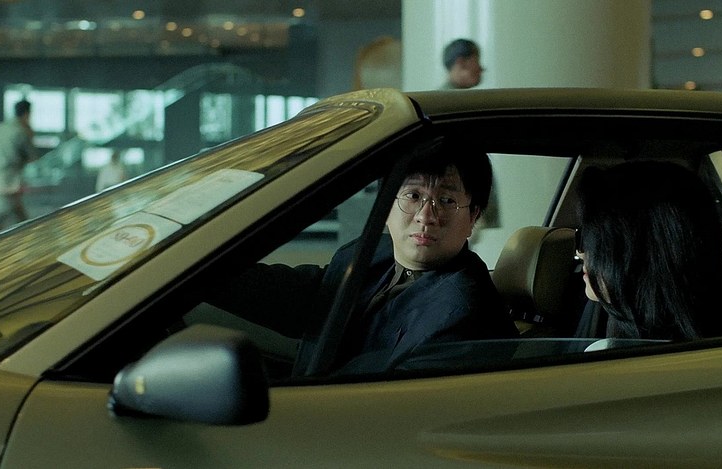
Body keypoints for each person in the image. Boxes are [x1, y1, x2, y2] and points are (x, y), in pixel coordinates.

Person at [207, 139, 517, 374]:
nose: (426, 216)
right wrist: (202, 270)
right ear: (386, 205)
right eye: (413, 195)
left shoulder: (462, 313)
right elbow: (300, 297)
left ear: (474, 216)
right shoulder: (372, 255)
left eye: (446, 200)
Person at [573, 161, 722, 341]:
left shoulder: (666, 352)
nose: (580, 252)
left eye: (597, 243)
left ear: (645, 256)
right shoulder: (618, 321)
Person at [0, 99, 39, 236]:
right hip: (11, 184)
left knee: (19, 216)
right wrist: (31, 135)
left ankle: (31, 236)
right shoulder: (21, 132)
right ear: (27, 114)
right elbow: (33, 158)